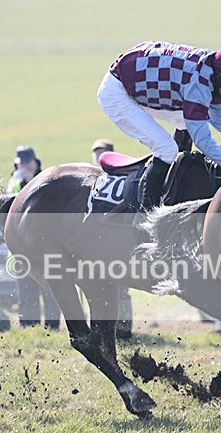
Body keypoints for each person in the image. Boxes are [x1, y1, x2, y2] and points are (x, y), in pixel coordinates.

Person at [98, 41, 221, 210]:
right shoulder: (198, 83)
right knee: (167, 149)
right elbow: (202, 138)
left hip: (140, 79)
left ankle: (177, 178)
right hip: (117, 93)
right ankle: (146, 215)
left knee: (189, 122)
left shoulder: (211, 73)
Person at [6, 144, 61, 329]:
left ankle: (52, 327)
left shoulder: (47, 180)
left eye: (28, 163)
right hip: (22, 249)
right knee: (26, 291)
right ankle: (29, 327)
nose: (26, 167)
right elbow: (9, 205)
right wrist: (19, 183)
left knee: (51, 290)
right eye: (23, 163)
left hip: (46, 247)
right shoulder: (13, 183)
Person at [91, 139, 133, 339]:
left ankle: (124, 329)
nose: (97, 158)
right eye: (95, 153)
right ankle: (100, 329)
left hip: (116, 241)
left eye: (102, 153)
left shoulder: (122, 178)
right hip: (97, 243)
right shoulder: (93, 180)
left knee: (121, 288)